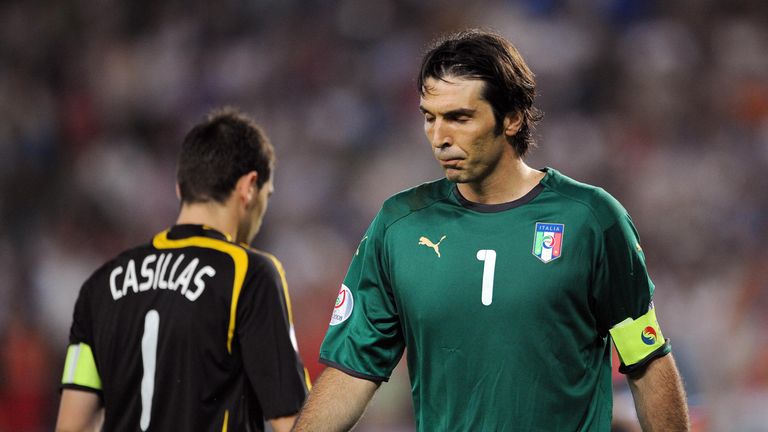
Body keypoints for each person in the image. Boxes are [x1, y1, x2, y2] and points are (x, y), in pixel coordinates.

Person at [293, 30, 689, 431]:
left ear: (512, 117)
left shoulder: (590, 219)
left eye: (460, 118)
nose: (440, 137)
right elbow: (351, 372)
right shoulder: (400, 226)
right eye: (430, 117)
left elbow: (647, 361)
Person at [55, 108, 310, 432]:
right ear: (249, 187)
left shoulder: (99, 286)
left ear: (180, 188)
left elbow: (70, 426)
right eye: (267, 196)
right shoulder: (249, 273)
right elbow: (295, 424)